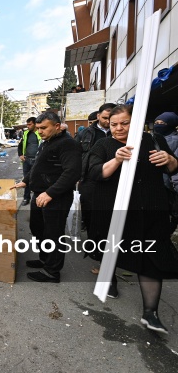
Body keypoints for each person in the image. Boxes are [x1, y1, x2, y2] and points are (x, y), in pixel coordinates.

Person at [87, 104, 178, 334]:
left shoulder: (153, 140)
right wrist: (117, 159)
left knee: (149, 259)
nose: (118, 128)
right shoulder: (103, 144)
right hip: (117, 213)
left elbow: (173, 168)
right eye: (114, 124)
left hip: (151, 211)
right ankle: (111, 281)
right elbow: (96, 173)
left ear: (135, 121)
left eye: (124, 123)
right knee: (114, 250)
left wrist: (168, 159)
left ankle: (151, 313)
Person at [10, 112, 82, 283]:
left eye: (44, 128)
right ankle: (44, 259)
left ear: (57, 127)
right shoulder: (47, 142)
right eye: (38, 128)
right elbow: (38, 166)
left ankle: (52, 272)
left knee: (53, 234)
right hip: (40, 195)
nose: (40, 131)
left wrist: (50, 193)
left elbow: (72, 173)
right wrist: (26, 181)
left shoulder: (67, 144)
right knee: (38, 229)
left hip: (55, 197)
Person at [76, 103, 113, 244]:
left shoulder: (121, 133)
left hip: (112, 180)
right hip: (89, 179)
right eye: (104, 118)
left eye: (111, 118)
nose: (108, 122)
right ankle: (93, 244)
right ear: (98, 116)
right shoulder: (85, 133)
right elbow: (76, 154)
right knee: (90, 213)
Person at [17, 117, 40, 206]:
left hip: (37, 161)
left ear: (35, 124)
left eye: (30, 124)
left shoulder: (40, 133)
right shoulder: (26, 134)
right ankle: (26, 198)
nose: (28, 126)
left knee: (37, 179)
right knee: (26, 179)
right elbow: (20, 146)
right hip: (27, 160)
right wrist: (20, 155)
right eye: (27, 124)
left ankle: (37, 198)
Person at [153, 112, 178, 192]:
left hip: (169, 182)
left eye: (162, 123)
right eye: (156, 123)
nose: (158, 125)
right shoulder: (155, 138)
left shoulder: (174, 140)